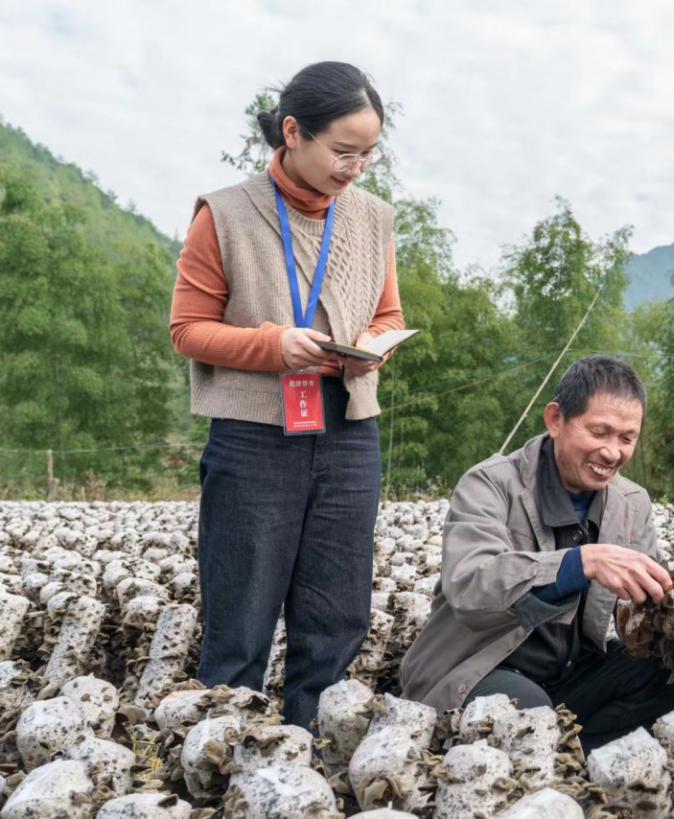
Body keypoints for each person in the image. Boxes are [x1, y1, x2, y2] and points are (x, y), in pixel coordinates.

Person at [169, 62, 402, 728]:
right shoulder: (225, 214)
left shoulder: (374, 220)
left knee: (336, 603)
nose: (355, 167)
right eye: (343, 151)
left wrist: (370, 340)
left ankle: (311, 745)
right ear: (293, 132)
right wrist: (274, 345)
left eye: (369, 154)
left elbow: (388, 314)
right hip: (253, 432)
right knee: (241, 604)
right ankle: (222, 746)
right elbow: (188, 330)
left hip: (349, 426)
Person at [399, 356, 674, 751]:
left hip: (567, 674)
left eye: (627, 438)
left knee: (670, 672)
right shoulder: (489, 483)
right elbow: (470, 586)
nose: (612, 453)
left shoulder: (631, 501)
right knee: (528, 710)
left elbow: (645, 606)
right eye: (599, 432)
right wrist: (580, 562)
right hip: (477, 668)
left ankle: (570, 754)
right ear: (555, 420)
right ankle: (547, 751)